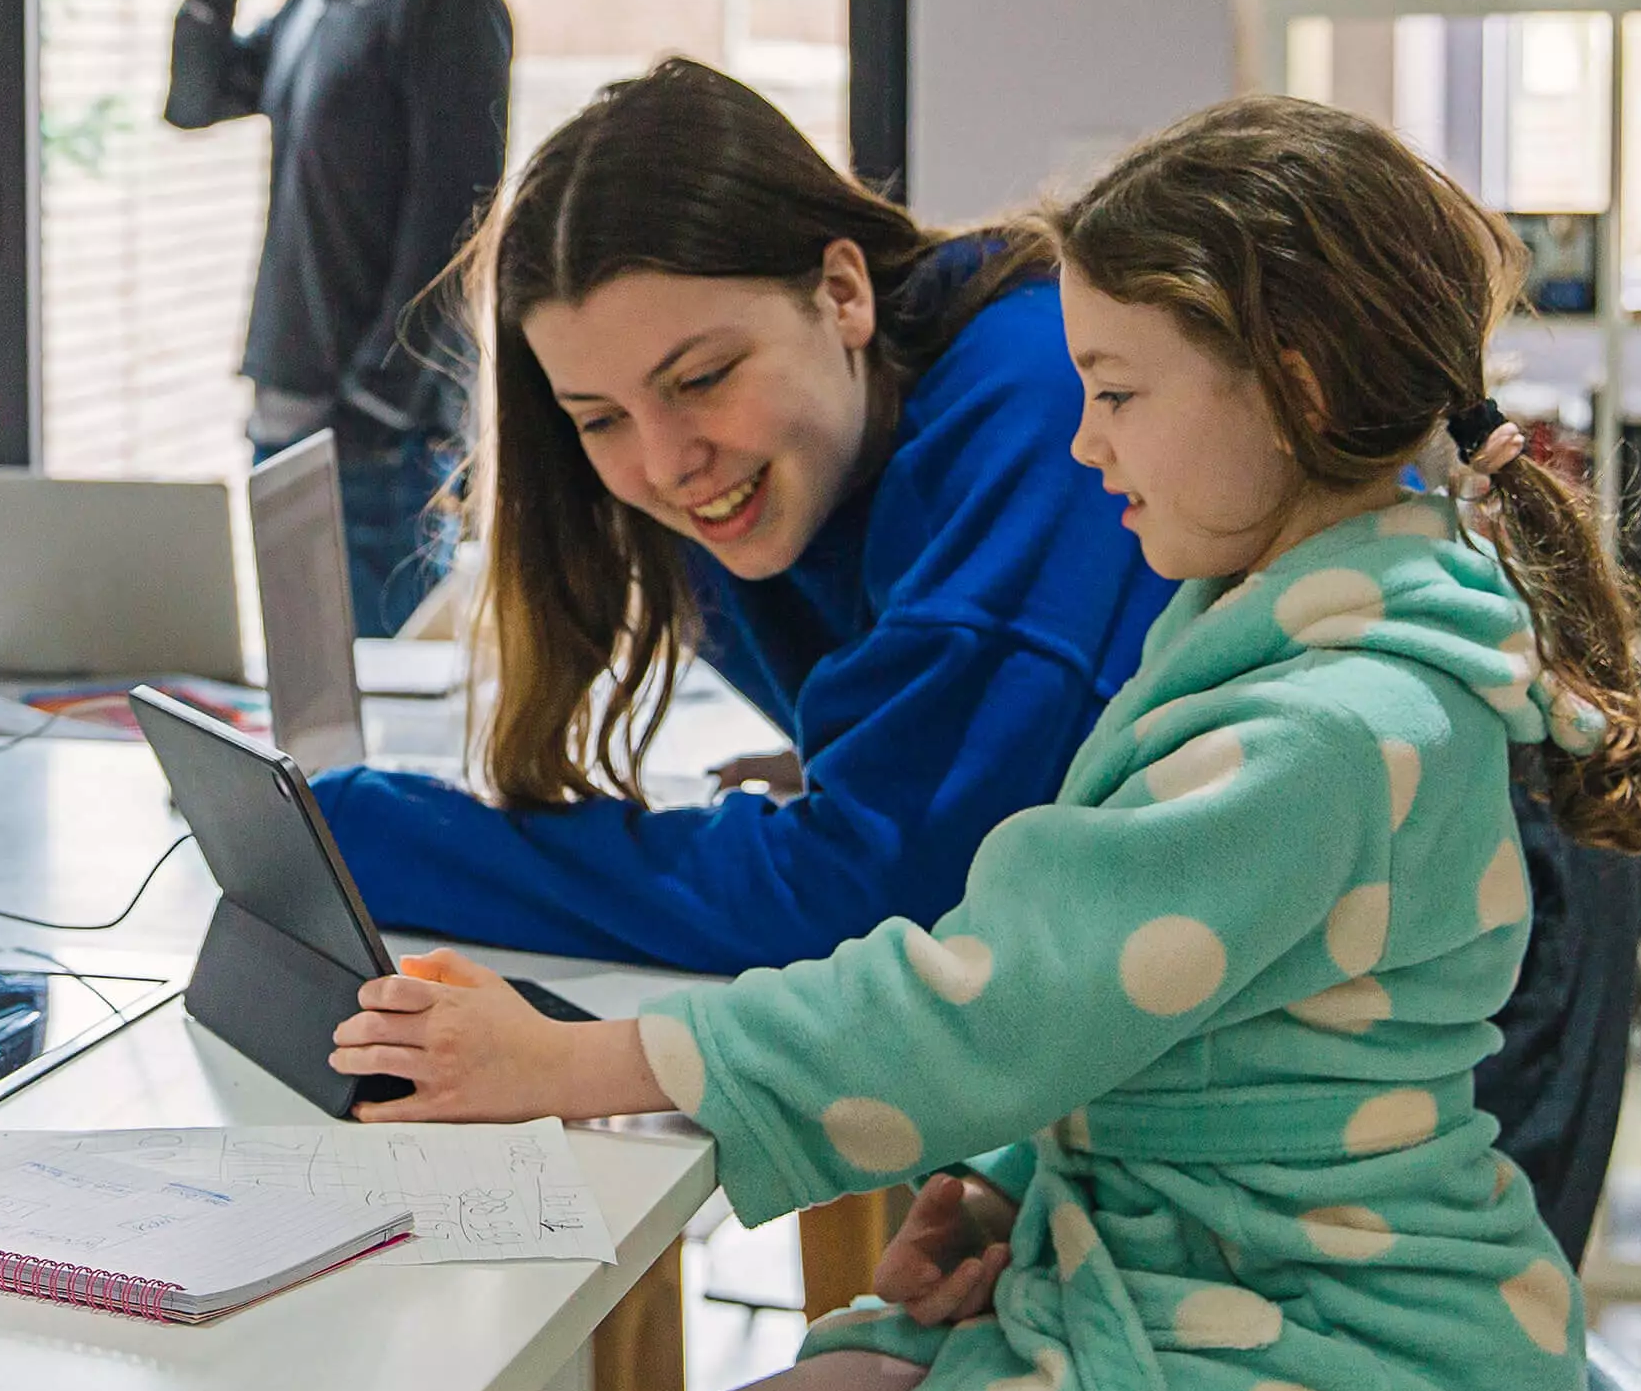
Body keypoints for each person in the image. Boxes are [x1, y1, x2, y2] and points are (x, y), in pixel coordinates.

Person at [332, 96, 1641, 1391]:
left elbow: (979, 976)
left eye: (1121, 396)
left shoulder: (1322, 730)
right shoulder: (1244, 626)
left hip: (1313, 1332)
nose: (662, 464)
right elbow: (1162, 1013)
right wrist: (1019, 1181)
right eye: (601, 419)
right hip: (1192, 1246)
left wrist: (566, 1063)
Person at [312, 57, 1173, 973]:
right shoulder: (772, 457)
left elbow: (872, 900)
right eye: (599, 418)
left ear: (842, 294)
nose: (666, 463)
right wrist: (878, 754)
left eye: (703, 379)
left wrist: (377, 838)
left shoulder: (1042, 400)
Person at [164, 0, 516, 635]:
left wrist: (370, 410)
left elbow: (460, 223)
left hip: (375, 444)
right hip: (290, 420)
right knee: (311, 711)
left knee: (378, 718)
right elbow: (196, 99)